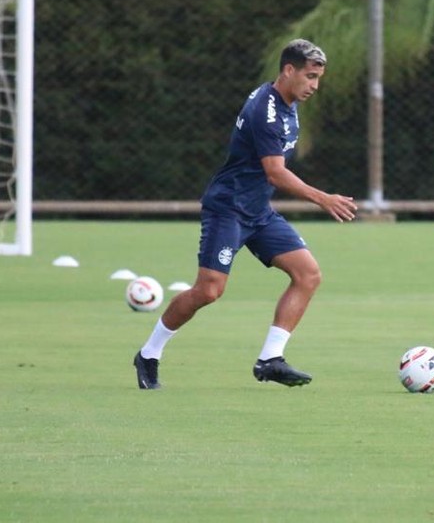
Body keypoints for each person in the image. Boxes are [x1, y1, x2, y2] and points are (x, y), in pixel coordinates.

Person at [132, 39, 358, 389]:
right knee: (208, 291)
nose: (314, 86)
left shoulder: (288, 103)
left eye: (318, 78)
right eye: (310, 76)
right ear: (288, 70)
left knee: (308, 274)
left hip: (258, 212)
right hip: (228, 209)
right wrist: (322, 198)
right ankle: (149, 354)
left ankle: (270, 359)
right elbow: (275, 173)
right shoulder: (265, 110)